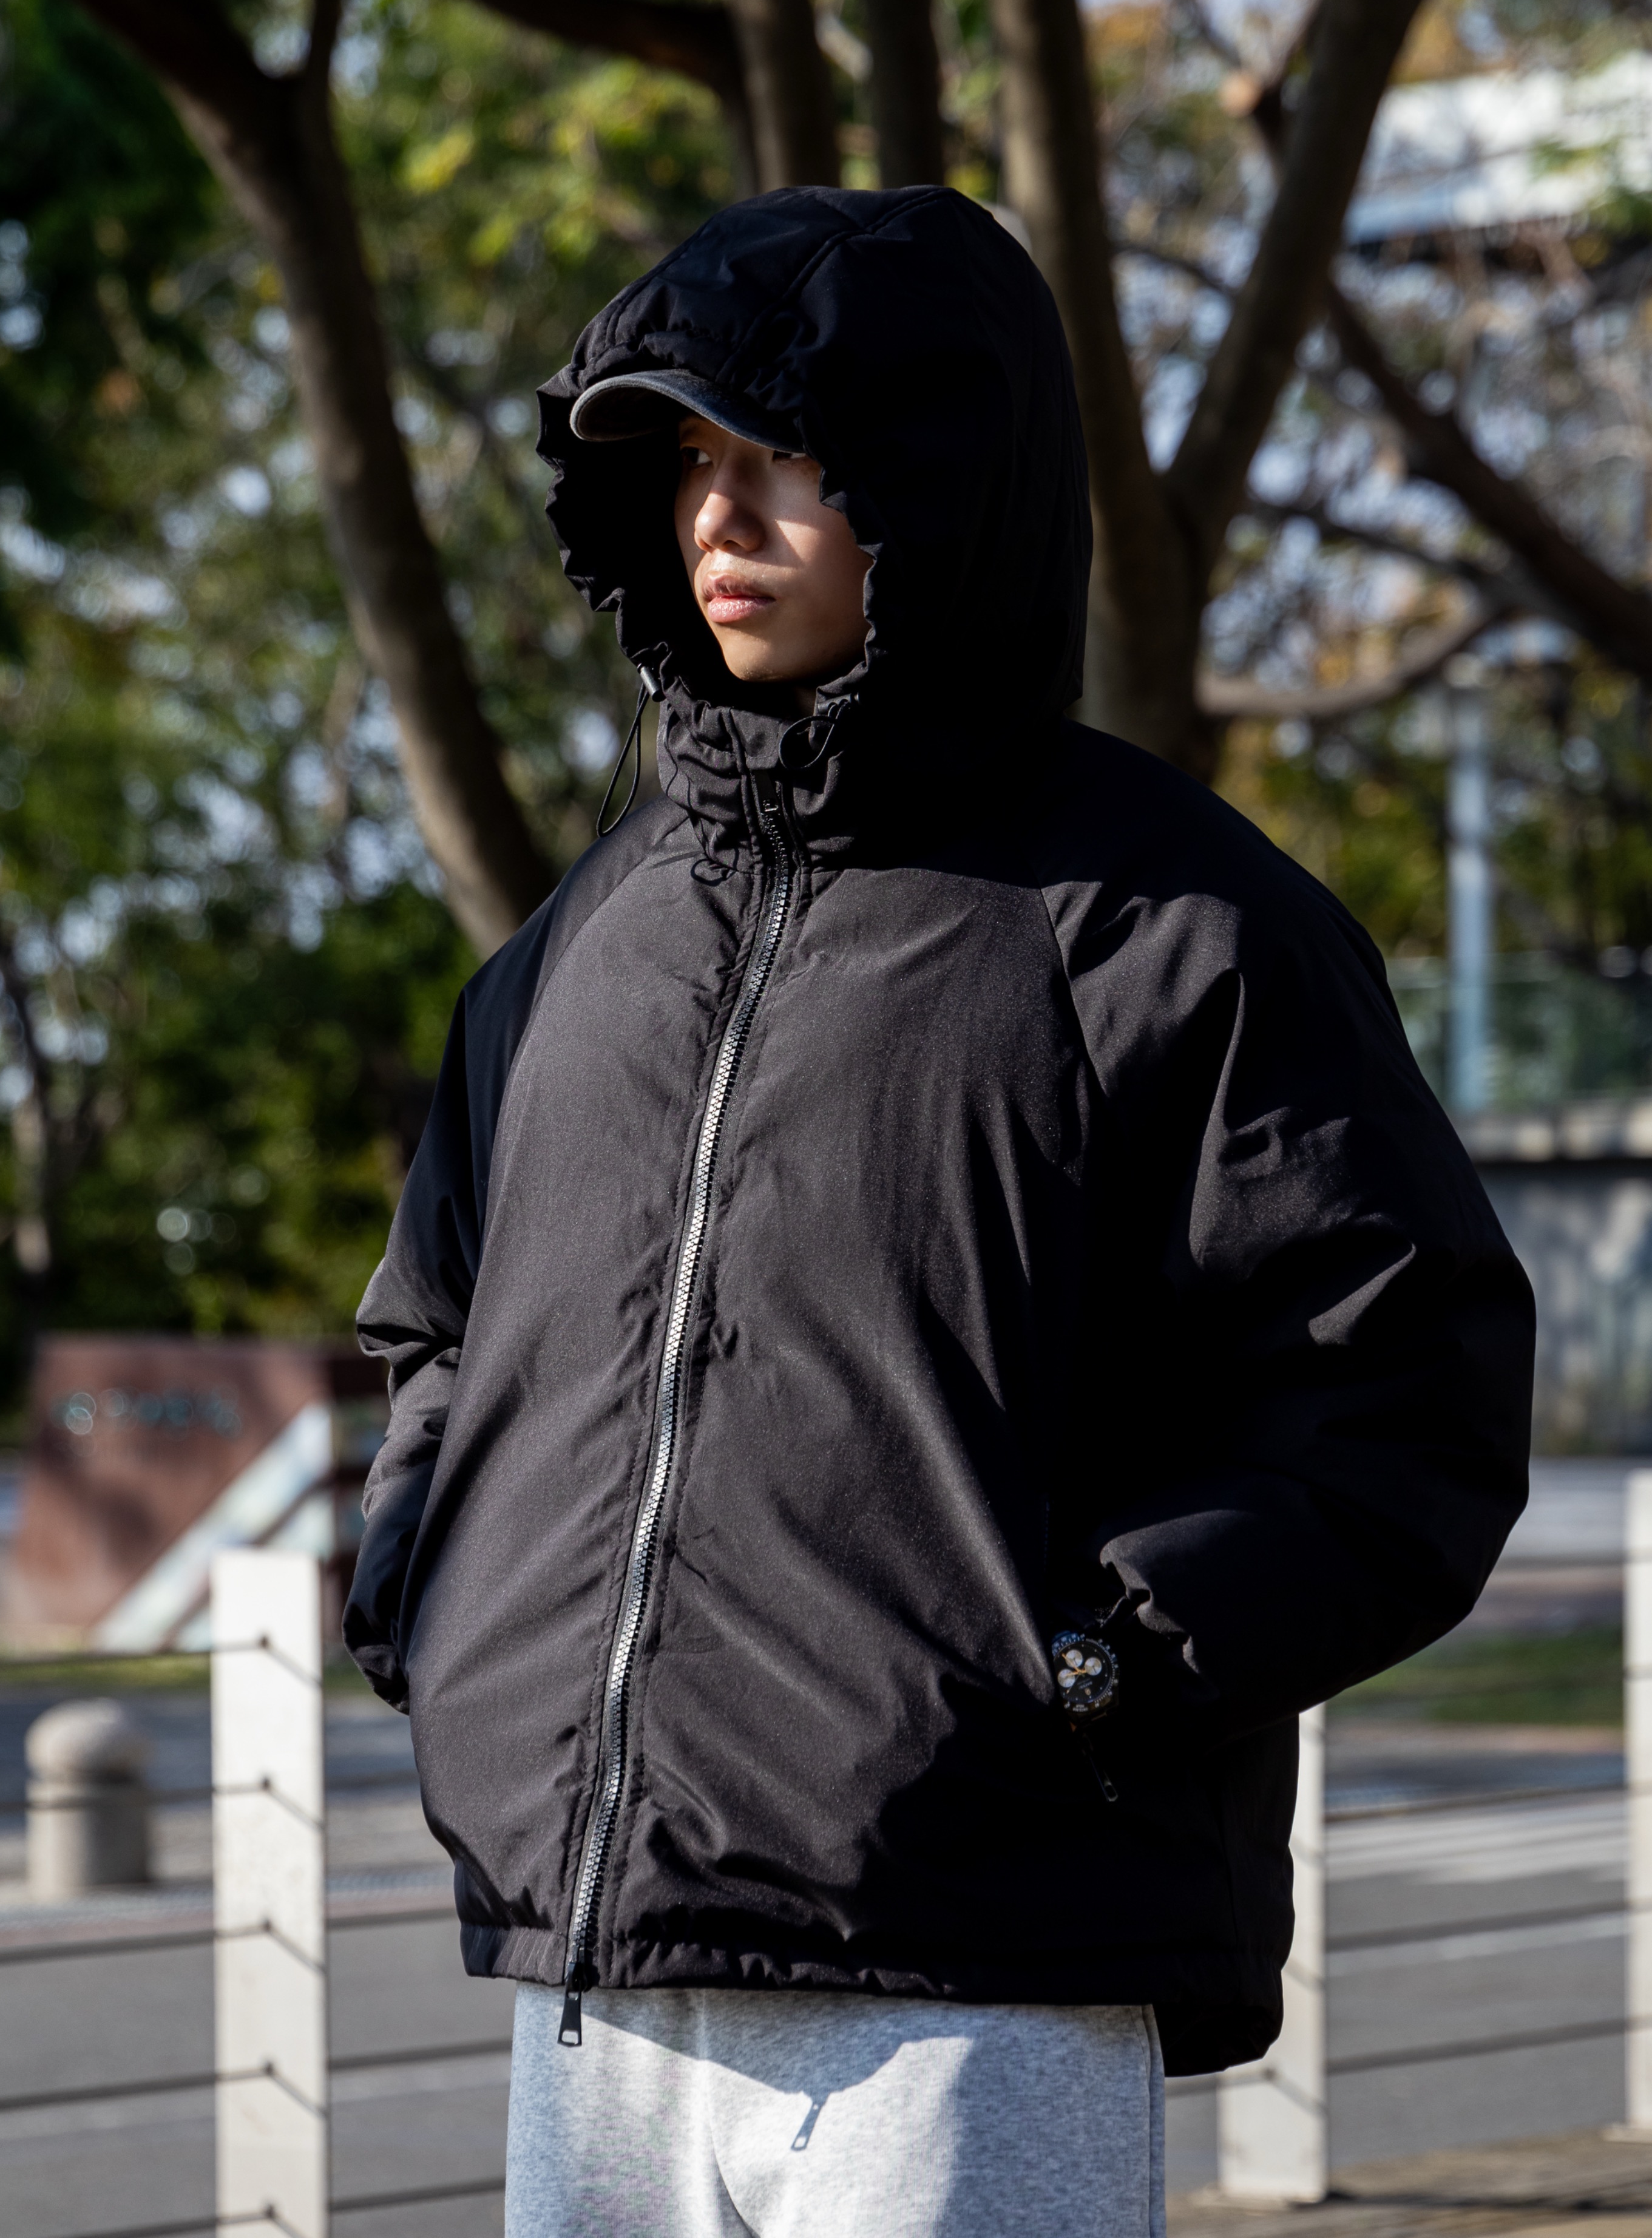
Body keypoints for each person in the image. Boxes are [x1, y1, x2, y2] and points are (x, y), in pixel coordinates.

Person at [343, 185, 1534, 2237]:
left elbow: (1402, 1385)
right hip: (598, 1989)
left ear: (940, 481)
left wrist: (1103, 1658)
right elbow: (439, 1328)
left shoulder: (1171, 929)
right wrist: (429, 1599)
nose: (719, 514)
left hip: (977, 1970)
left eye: (786, 456)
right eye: (686, 457)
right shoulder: (577, 946)